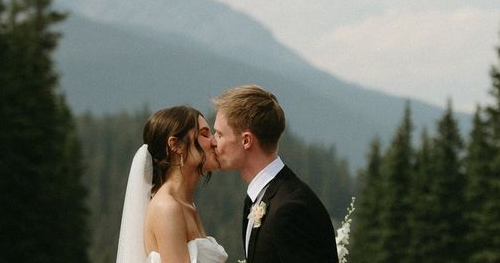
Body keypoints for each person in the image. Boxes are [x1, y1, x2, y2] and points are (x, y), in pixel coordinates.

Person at [212, 85, 338, 263]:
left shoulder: (291, 209)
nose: (213, 142)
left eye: (219, 134)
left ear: (246, 140)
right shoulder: (260, 199)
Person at [116, 106, 228, 263]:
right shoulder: (167, 207)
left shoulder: (187, 205)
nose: (214, 141)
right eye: (204, 134)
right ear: (176, 145)